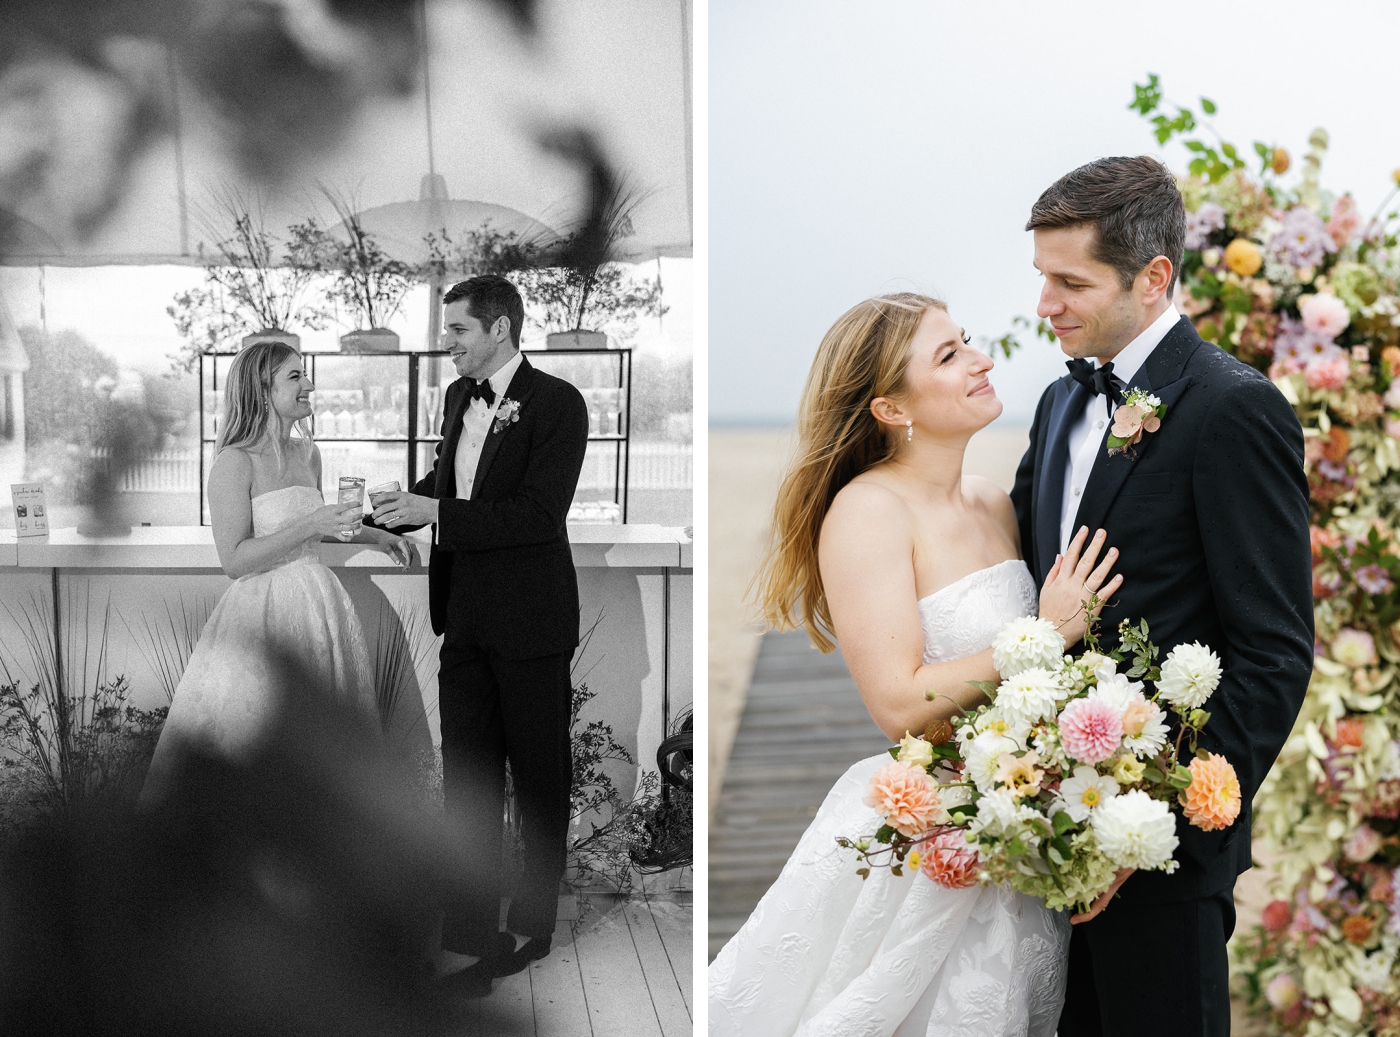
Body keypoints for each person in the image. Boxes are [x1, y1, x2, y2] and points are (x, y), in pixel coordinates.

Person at [709, 292, 1122, 1036]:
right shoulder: (867, 512)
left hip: (1014, 824)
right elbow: (896, 701)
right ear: (891, 409)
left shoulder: (996, 505)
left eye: (966, 341)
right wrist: (1045, 633)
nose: (982, 358)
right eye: (949, 354)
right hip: (932, 831)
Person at [1010, 155, 1314, 1036]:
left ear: (1154, 278)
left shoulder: (1235, 408)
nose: (1046, 306)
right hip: (1043, 831)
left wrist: (1155, 819)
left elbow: (1274, 653)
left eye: (1071, 282)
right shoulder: (1059, 404)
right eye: (1041, 279)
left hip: (1161, 854)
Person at [370, 274, 589, 996]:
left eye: (458, 329)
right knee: (466, 780)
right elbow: (449, 480)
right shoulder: (457, 396)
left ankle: (532, 923)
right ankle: (466, 929)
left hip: (531, 623)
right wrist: (390, 513)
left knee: (538, 777)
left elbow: (535, 514)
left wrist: (435, 509)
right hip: (461, 616)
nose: (448, 343)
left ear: (499, 328)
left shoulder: (559, 403)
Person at [142, 341, 414, 801]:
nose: (309, 384)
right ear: (261, 388)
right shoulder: (234, 461)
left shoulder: (309, 454)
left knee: (324, 749)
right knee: (256, 740)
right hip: (260, 613)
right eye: (295, 377)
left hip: (320, 607)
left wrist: (378, 535)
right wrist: (310, 522)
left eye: (305, 374)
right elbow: (234, 560)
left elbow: (322, 529)